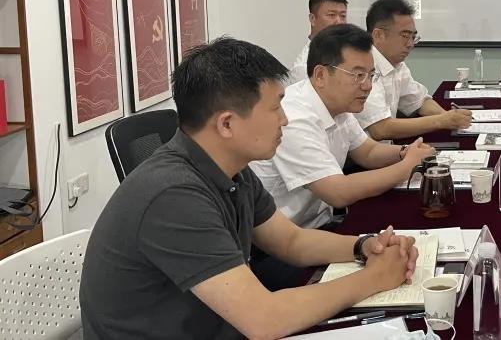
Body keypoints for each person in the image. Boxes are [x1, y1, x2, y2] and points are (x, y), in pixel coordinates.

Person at [81, 37, 419, 340]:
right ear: (227, 124)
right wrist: (375, 278)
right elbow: (263, 320)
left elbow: (292, 241)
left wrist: (364, 246)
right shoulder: (173, 195)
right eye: (275, 108)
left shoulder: (232, 168)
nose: (285, 119)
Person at [253, 24, 436, 230]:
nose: (367, 86)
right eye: (358, 75)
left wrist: (405, 152)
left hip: (320, 221)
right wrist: (407, 166)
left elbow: (368, 151)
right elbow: (338, 192)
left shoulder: (338, 102)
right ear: (321, 75)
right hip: (291, 235)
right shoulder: (294, 118)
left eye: (371, 75)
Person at [357, 0, 472, 140]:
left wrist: (448, 116)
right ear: (378, 35)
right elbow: (380, 129)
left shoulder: (397, 64)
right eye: (405, 36)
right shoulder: (363, 68)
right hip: (366, 153)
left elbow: (419, 101)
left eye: (413, 37)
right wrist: (442, 120)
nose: (410, 44)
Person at [289, 0, 349, 84]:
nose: (339, 21)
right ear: (312, 19)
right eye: (331, 15)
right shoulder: (304, 68)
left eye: (343, 16)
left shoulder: (349, 55)